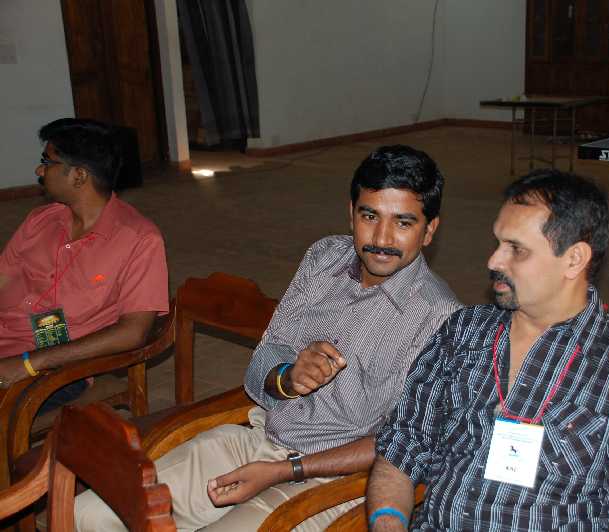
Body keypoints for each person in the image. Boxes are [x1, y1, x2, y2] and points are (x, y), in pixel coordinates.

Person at [75, 145, 462, 531]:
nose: (381, 237)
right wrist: (288, 377)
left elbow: (404, 443)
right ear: (351, 214)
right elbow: (264, 358)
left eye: (403, 223)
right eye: (369, 215)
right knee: (90, 513)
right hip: (261, 438)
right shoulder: (324, 258)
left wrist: (284, 470)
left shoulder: (441, 319)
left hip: (338, 480)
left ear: (429, 230)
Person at [367, 170, 609, 531]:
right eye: (498, 243)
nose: (494, 261)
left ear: (574, 259)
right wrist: (387, 523)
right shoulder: (463, 332)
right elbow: (403, 446)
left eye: (516, 249)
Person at [0, 118, 168, 407]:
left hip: (54, 368)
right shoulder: (40, 220)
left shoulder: (139, 240)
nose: (39, 170)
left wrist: (29, 363)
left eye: (47, 162)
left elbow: (134, 332)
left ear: (79, 176)